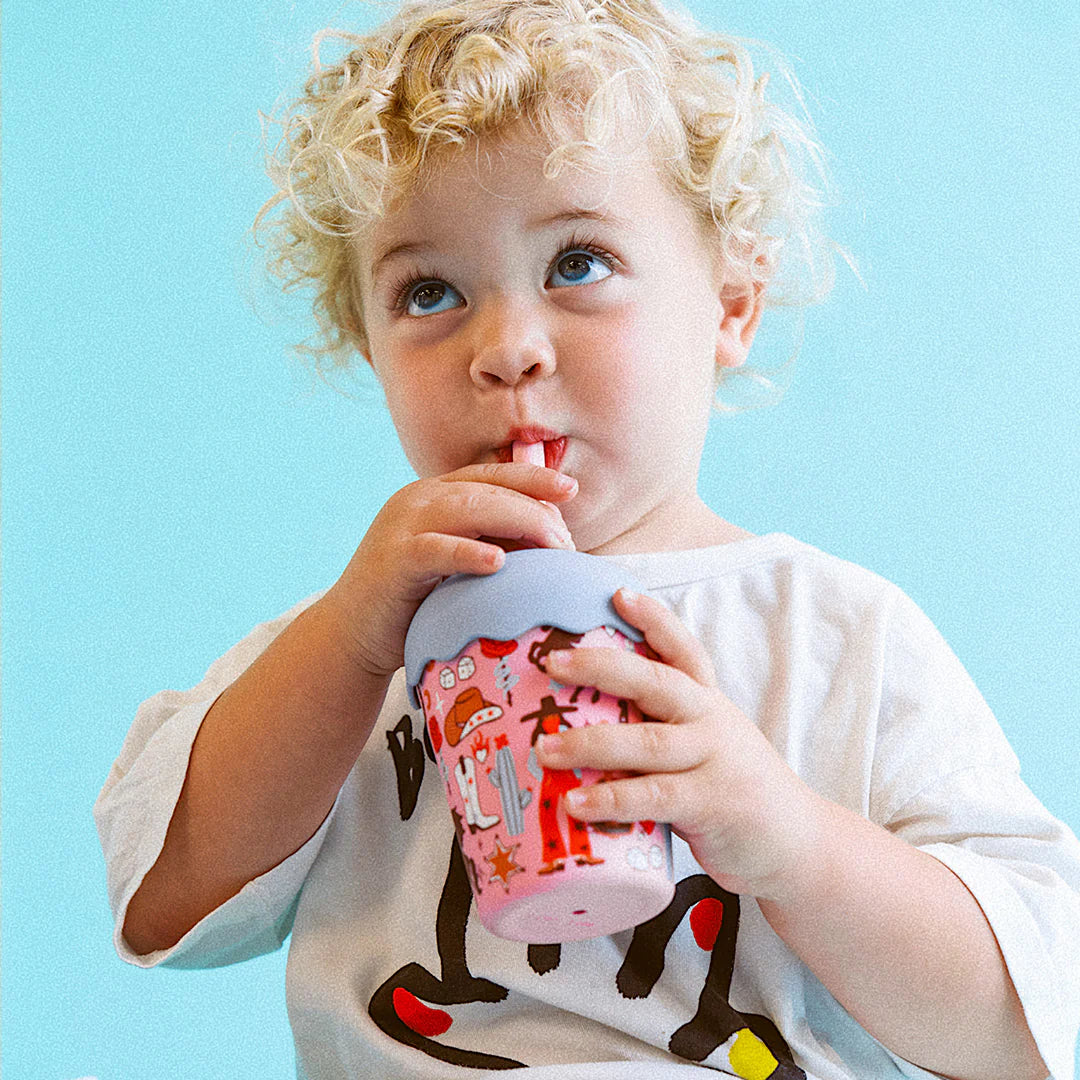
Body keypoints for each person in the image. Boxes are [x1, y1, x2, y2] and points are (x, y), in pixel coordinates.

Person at [94, 1, 1080, 1077]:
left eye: (577, 264)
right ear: (365, 346)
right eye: (429, 291)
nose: (507, 348)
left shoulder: (836, 637)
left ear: (731, 305)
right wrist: (346, 643)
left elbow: (1027, 1022)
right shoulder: (355, 647)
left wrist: (791, 842)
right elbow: (160, 902)